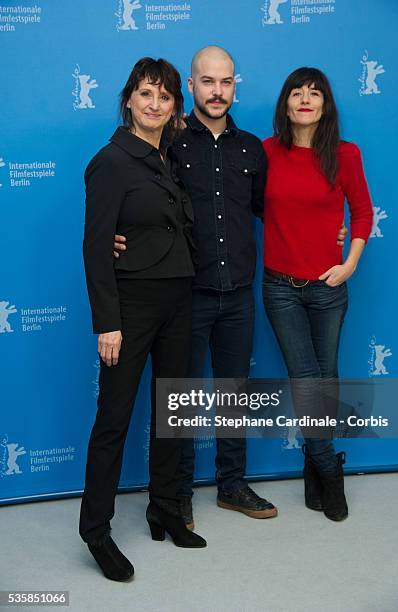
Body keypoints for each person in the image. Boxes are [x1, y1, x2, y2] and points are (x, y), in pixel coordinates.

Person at [114, 47, 347, 529]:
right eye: (206, 82)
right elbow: (136, 197)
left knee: (234, 393)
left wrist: (332, 232)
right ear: (192, 88)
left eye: (225, 82)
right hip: (185, 293)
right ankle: (175, 493)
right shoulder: (169, 144)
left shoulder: (252, 150)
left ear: (233, 87)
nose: (216, 91)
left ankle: (232, 484)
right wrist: (119, 236)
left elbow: (278, 208)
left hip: (240, 292)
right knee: (179, 396)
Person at [80, 57, 206, 583]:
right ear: (129, 98)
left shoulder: (170, 156)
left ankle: (165, 507)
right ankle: (96, 532)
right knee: (114, 418)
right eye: (146, 94)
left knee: (173, 410)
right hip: (131, 306)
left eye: (166, 96)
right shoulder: (111, 161)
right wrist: (108, 322)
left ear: (176, 107)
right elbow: (94, 246)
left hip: (180, 297)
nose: (155, 104)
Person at [262, 67, 373, 521]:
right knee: (308, 381)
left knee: (326, 380)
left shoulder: (345, 154)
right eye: (296, 92)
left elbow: (363, 213)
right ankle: (331, 471)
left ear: (325, 105)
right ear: (285, 103)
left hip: (328, 288)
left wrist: (349, 263)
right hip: (280, 288)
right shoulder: (265, 152)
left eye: (315, 93)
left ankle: (313, 466)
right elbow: (239, 205)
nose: (305, 99)